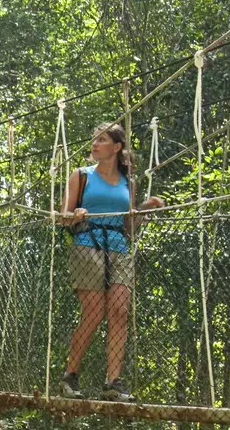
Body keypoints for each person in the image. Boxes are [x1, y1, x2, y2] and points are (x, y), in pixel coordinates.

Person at [58, 121, 163, 401]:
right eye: (94, 139)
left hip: (119, 245)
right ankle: (70, 375)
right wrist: (75, 214)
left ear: (116, 148)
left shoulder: (129, 183)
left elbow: (128, 225)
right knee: (94, 312)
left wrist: (143, 208)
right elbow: (61, 217)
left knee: (119, 310)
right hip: (86, 244)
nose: (94, 144)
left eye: (101, 140)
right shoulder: (81, 175)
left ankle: (112, 382)